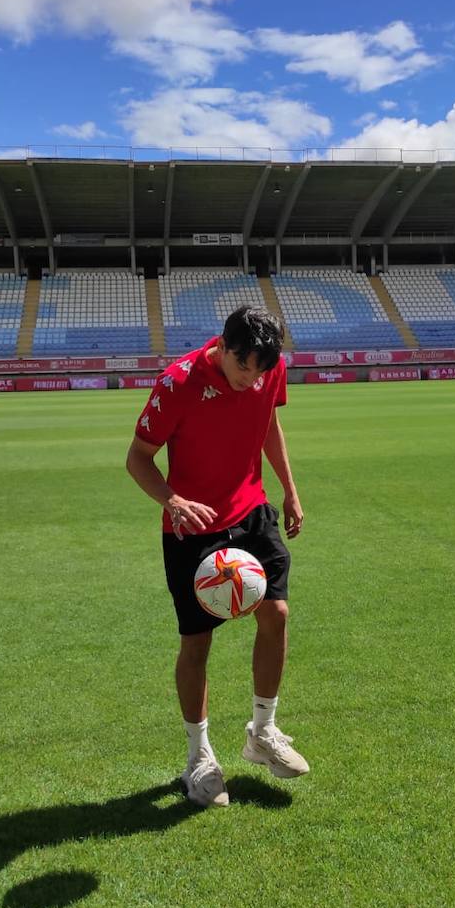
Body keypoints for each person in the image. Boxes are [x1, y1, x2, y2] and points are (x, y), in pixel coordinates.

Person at [125, 305, 308, 807]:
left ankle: (263, 732)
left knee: (276, 612)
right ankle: (199, 756)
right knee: (197, 644)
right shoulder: (178, 382)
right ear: (223, 348)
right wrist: (173, 500)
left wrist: (289, 490)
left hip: (250, 508)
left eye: (261, 371)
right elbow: (137, 458)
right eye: (243, 368)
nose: (252, 380)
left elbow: (268, 422)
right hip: (193, 525)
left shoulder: (267, 370)